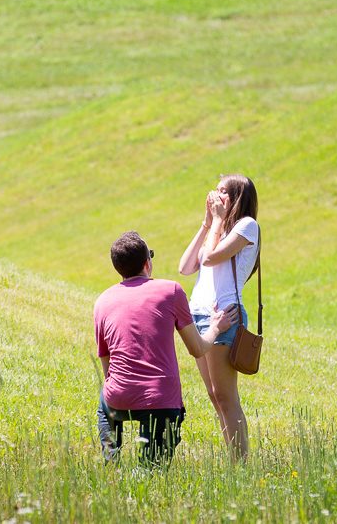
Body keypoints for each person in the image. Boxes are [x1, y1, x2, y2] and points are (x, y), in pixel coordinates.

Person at [94, 231, 237, 466]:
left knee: (104, 402)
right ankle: (148, 465)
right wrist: (216, 327)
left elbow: (108, 370)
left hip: (118, 398)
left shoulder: (102, 301)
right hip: (161, 402)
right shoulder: (170, 291)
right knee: (151, 474)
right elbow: (198, 349)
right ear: (147, 263)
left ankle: (111, 462)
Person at [178, 174, 260, 459]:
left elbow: (211, 257)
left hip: (225, 316)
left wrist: (216, 223)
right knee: (214, 394)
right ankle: (234, 458)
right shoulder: (216, 229)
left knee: (226, 396)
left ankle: (240, 464)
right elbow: (186, 266)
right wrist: (206, 223)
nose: (216, 195)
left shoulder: (247, 227)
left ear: (237, 197)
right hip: (199, 315)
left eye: (223, 191)